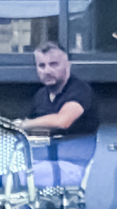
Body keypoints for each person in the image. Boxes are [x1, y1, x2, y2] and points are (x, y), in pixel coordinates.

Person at [17, 41, 101, 192]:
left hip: (73, 166)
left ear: (68, 65)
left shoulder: (80, 90)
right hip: (43, 161)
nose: (47, 70)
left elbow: (63, 121)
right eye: (41, 66)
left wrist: (23, 124)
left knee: (11, 177)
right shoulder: (41, 95)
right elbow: (33, 131)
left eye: (54, 64)